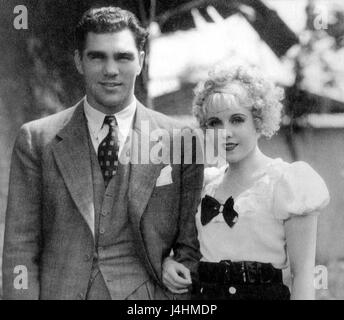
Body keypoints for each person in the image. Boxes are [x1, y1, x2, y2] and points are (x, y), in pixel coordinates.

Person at [2, 6, 203, 300]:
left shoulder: (181, 140)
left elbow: (191, 245)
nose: (111, 70)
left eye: (123, 57)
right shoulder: (36, 140)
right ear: (79, 62)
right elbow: (20, 248)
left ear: (141, 62)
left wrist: (178, 267)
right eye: (97, 56)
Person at [162, 65, 330, 300]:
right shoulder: (205, 185)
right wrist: (170, 263)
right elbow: (187, 252)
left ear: (258, 121)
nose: (225, 133)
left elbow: (302, 275)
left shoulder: (287, 183)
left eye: (237, 120)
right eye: (214, 123)